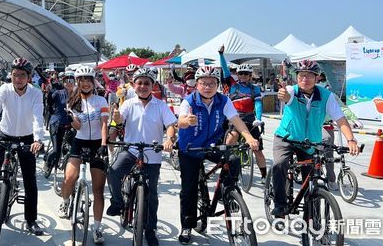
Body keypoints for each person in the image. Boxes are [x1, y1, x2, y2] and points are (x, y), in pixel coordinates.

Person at [176, 65, 259, 244]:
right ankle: (187, 225)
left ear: (218, 85)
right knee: (189, 189)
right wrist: (187, 121)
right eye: (204, 83)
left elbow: (237, 121)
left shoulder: (223, 100)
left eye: (212, 83)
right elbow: (180, 121)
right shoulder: (188, 101)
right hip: (189, 149)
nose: (208, 86)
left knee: (233, 158)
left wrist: (249, 137)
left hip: (212, 145)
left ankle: (227, 192)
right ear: (196, 85)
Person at [270, 59, 360, 218]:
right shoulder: (292, 91)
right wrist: (283, 95)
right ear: (297, 77)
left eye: (310, 76)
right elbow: (286, 96)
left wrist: (351, 140)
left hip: (310, 142)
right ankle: (280, 204)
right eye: (301, 75)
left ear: (317, 77)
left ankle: (312, 217)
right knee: (280, 164)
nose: (305, 79)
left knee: (312, 177)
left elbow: (340, 119)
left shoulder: (326, 96)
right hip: (286, 138)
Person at [107, 68, 177, 246]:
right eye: (140, 83)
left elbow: (170, 124)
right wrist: (116, 119)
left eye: (147, 83)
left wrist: (169, 138)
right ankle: (117, 202)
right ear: (134, 85)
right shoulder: (128, 103)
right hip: (130, 150)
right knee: (113, 171)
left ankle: (150, 229)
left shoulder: (160, 105)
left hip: (152, 154)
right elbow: (119, 119)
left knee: (152, 195)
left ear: (153, 85)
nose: (143, 86)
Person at [0, 57, 45, 235]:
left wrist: (38, 139)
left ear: (29, 77)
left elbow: (38, 118)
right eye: (15, 75)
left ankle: (31, 219)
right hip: (5, 134)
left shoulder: (36, 93)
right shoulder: (5, 88)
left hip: (27, 137)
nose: (18, 79)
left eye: (22, 75)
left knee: (30, 179)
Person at [57, 66, 109, 244]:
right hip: (79, 142)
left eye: (88, 80)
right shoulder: (72, 101)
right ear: (77, 82)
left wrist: (103, 145)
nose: (85, 83)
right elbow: (78, 127)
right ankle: (65, 201)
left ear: (93, 82)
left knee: (98, 190)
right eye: (82, 80)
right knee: (69, 178)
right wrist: (72, 119)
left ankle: (97, 228)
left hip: (97, 144)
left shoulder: (101, 100)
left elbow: (104, 124)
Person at [219, 47, 267, 183]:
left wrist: (259, 118)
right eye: (241, 73)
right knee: (230, 141)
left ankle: (264, 176)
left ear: (250, 76)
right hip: (235, 118)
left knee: (257, 149)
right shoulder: (232, 85)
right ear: (238, 75)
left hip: (250, 118)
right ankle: (228, 168)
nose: (243, 76)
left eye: (246, 74)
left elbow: (258, 104)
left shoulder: (255, 89)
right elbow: (224, 68)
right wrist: (221, 54)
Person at [43, 70, 75, 177]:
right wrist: (51, 89)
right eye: (67, 80)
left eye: (72, 80)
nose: (69, 82)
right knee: (56, 150)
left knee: (75, 150)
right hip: (57, 123)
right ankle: (48, 162)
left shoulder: (78, 95)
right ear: (63, 82)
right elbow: (49, 102)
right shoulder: (58, 93)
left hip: (72, 125)